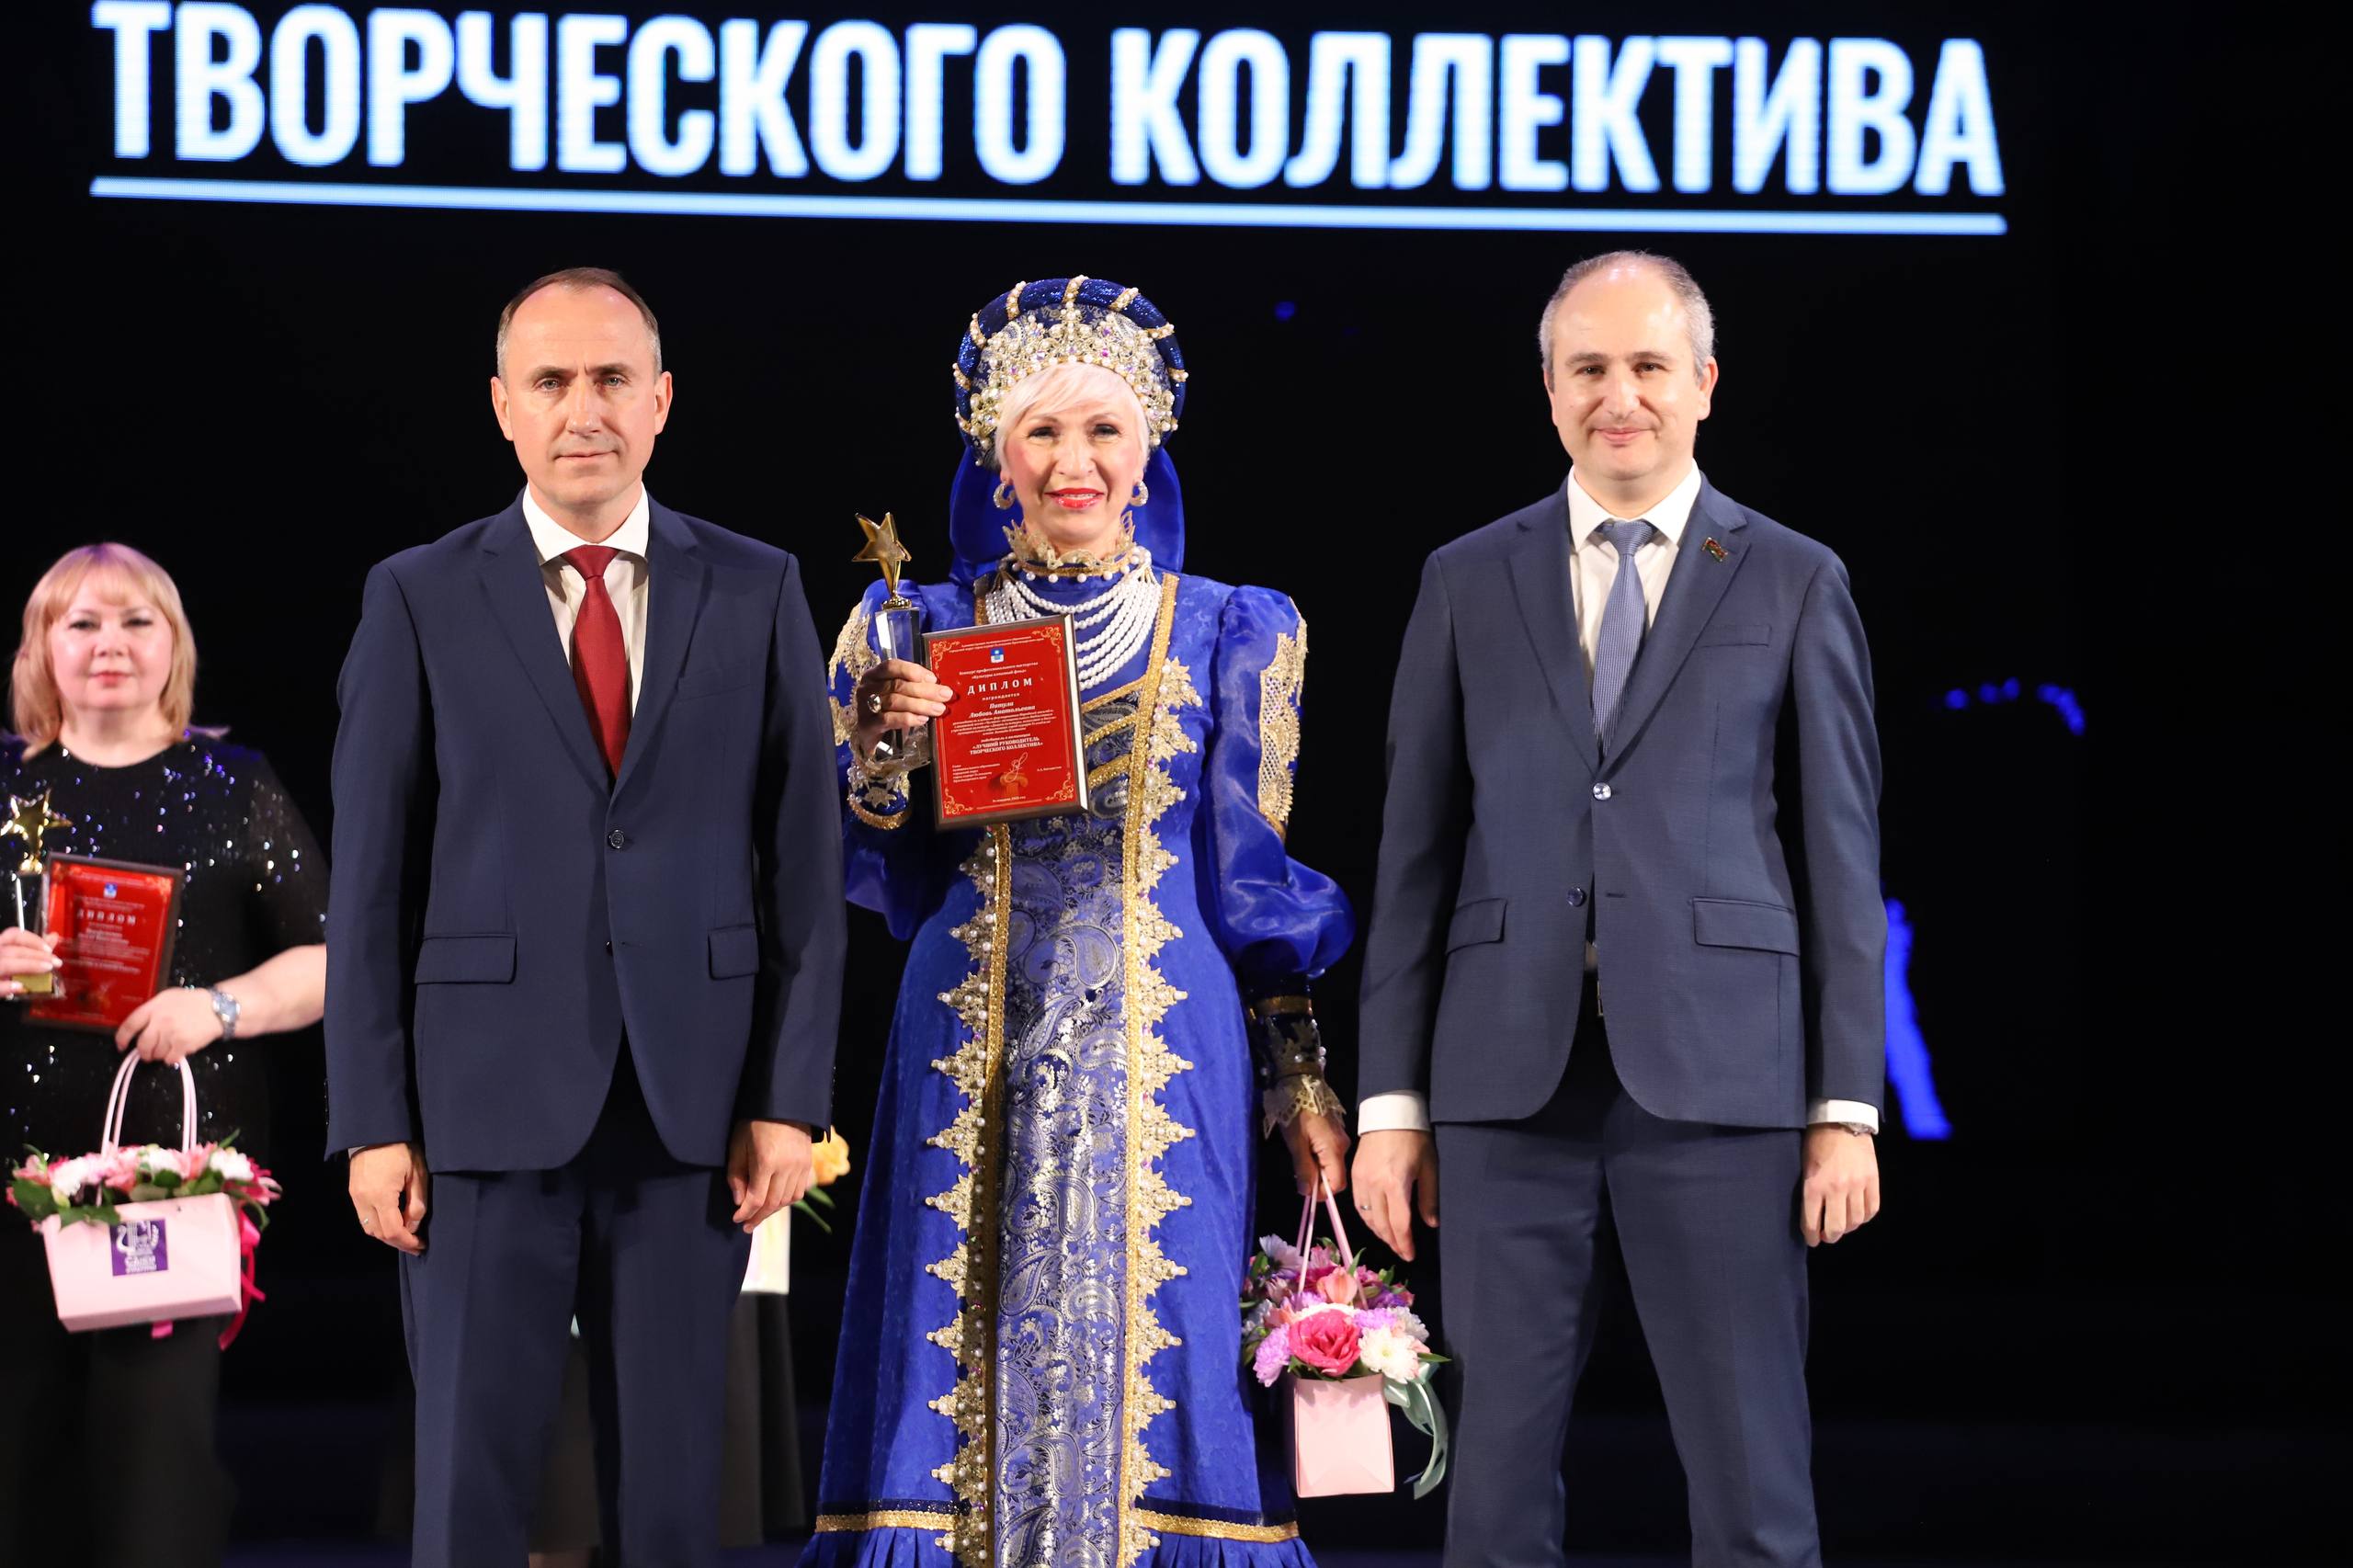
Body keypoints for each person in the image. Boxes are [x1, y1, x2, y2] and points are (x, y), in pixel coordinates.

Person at [803, 277, 1353, 1567]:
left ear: (1147, 451)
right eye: (1041, 433)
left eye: (1104, 430)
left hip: (1169, 1051)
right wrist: (880, 747)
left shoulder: (1230, 628)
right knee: (953, 1333)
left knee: (1171, 1343)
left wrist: (1301, 1076)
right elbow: (866, 858)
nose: (1074, 462)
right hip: (968, 1038)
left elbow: (1253, 882)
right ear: (996, 460)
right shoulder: (914, 627)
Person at [1351, 251, 1887, 1567]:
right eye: (1588, 368)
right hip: (1500, 1085)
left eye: (1649, 365)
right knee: (1487, 1494)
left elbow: (1841, 858)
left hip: (1725, 1079)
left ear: (1703, 382)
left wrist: (1845, 1105)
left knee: (1753, 1484)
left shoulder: (1794, 576)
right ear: (1549, 390)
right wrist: (1390, 1107)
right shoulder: (1465, 576)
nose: (1620, 395)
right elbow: (1412, 855)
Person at [325, 267, 846, 1568]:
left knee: (673, 1502)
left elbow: (803, 866)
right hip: (477, 1110)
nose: (583, 409)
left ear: (660, 400)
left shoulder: (759, 584)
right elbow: (372, 881)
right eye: (550, 381)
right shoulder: (417, 593)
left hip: (693, 1113)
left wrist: (790, 1099)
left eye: (611, 377)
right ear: (504, 406)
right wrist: (372, 1120)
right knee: (471, 1491)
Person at [0, 542, 327, 1568]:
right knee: (20, 1477)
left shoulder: (233, 783)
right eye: (82, 622)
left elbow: (335, 960)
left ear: (174, 645)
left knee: (154, 1488)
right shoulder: (3, 786)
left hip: (170, 1192)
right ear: (40, 647)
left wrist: (220, 1006)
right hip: (11, 1186)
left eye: (137, 621)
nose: (111, 644)